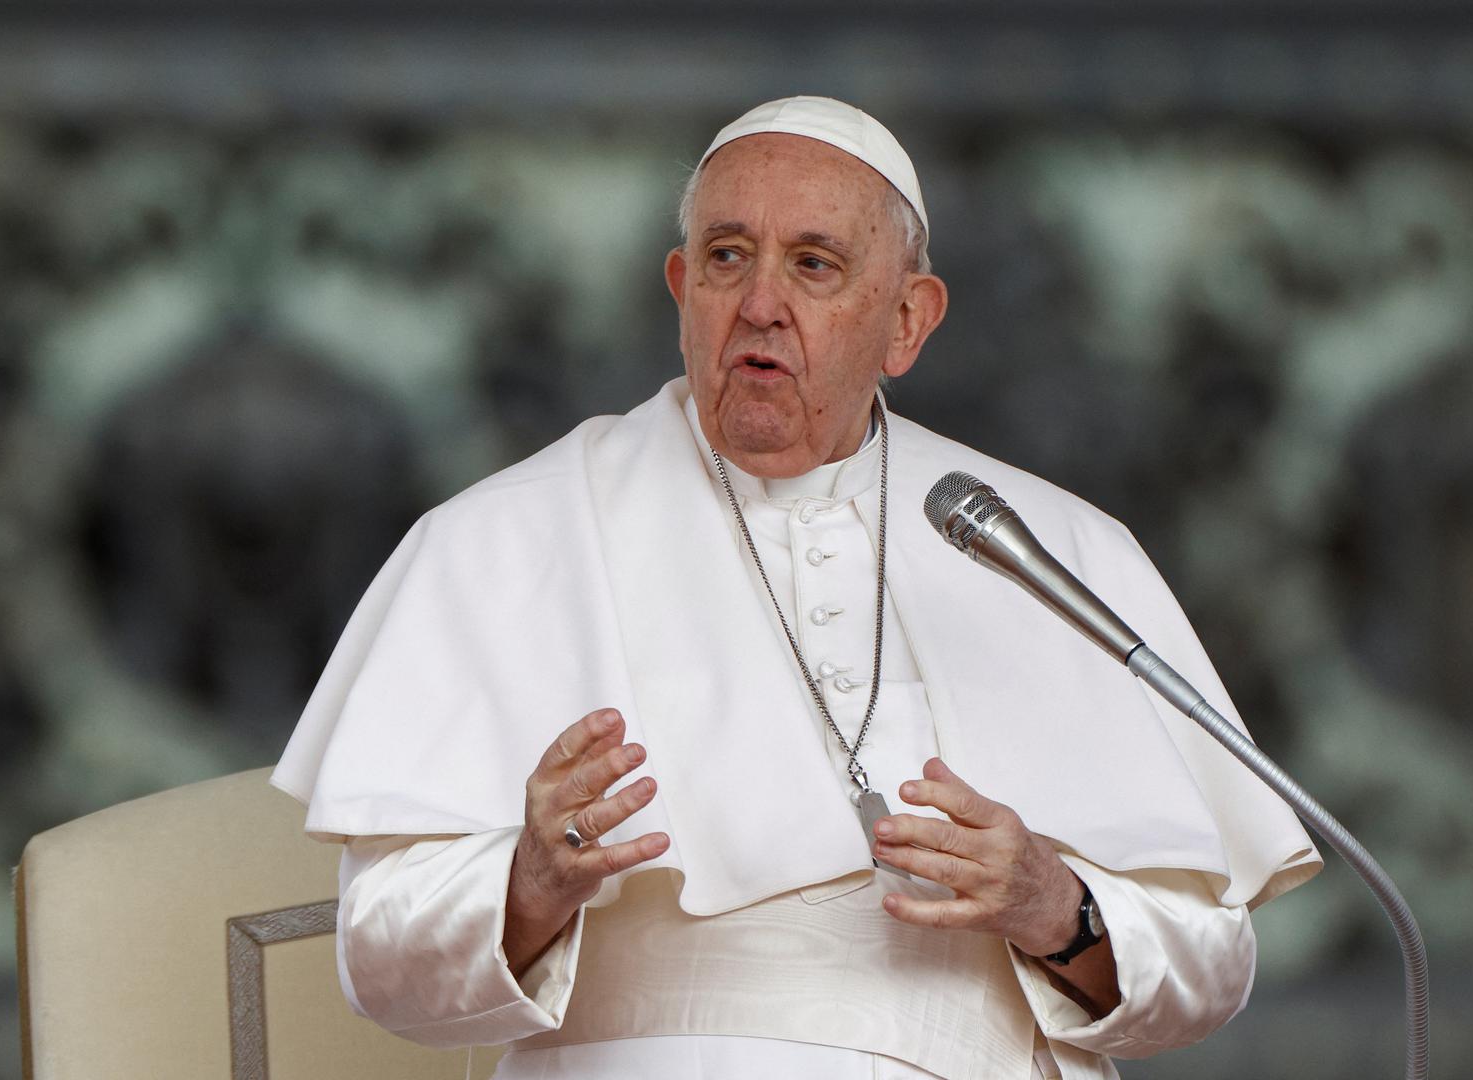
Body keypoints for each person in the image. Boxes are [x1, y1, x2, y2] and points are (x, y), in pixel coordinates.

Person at [273, 96, 1320, 1080]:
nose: (761, 306)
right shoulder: (502, 539)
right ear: (682, 290)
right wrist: (528, 882)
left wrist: (1054, 904)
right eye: (728, 257)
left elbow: (1210, 964)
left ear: (907, 321)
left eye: (814, 265)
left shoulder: (1053, 550)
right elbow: (380, 961)